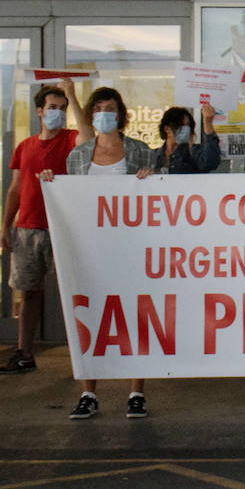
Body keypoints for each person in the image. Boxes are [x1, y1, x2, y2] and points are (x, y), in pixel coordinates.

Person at [63, 86, 159, 419]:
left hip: (132, 246)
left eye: (112, 108)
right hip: (90, 248)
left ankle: (136, 392)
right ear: (92, 115)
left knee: (135, 314)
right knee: (89, 315)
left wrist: (152, 181)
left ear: (121, 115)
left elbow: (160, 198)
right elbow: (69, 198)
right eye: (100, 108)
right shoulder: (77, 156)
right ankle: (89, 392)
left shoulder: (141, 152)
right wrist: (52, 184)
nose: (105, 113)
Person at [0, 83, 79, 375]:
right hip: (28, 230)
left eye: (62, 109)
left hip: (64, 229)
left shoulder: (72, 139)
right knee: (28, 293)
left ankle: (82, 357)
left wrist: (74, 98)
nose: (58, 113)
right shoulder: (25, 147)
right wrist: (6, 226)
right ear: (39, 111)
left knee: (75, 292)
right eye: (52, 108)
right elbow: (15, 189)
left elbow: (89, 137)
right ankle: (24, 353)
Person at [155, 105, 221, 174]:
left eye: (188, 126)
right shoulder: (154, 155)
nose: (186, 129)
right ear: (167, 129)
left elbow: (211, 162)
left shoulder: (193, 152)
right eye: (181, 126)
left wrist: (208, 123)